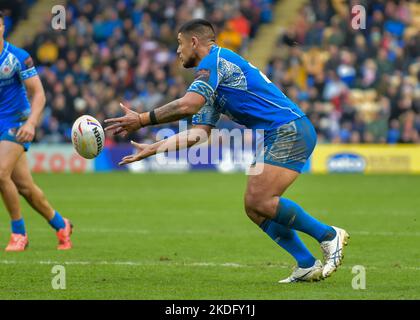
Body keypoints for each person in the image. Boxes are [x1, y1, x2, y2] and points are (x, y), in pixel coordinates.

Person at [105, 19, 349, 283]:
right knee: (254, 208)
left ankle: (328, 235)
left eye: (179, 43)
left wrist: (142, 119)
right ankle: (305, 263)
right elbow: (199, 133)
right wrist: (154, 147)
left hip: (289, 128)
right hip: (277, 133)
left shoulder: (214, 61)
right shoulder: (210, 80)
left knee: (260, 198)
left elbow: (188, 105)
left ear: (194, 42)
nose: (177, 51)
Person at [0, 11, 73, 251]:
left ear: (2, 27)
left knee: (1, 174)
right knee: (25, 188)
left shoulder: (18, 58)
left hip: (16, 121)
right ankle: (61, 224)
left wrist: (31, 123)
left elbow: (39, 93)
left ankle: (19, 234)